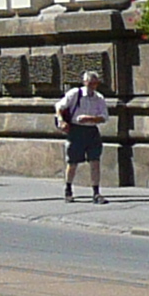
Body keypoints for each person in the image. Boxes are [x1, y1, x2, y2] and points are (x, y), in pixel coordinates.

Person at [56, 70, 113, 203]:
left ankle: (96, 192)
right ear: (84, 82)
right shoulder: (76, 94)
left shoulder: (99, 98)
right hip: (76, 131)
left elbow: (104, 117)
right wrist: (61, 121)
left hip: (91, 131)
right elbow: (59, 106)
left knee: (95, 161)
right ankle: (68, 189)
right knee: (73, 162)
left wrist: (91, 119)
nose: (92, 85)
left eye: (95, 83)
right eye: (90, 83)